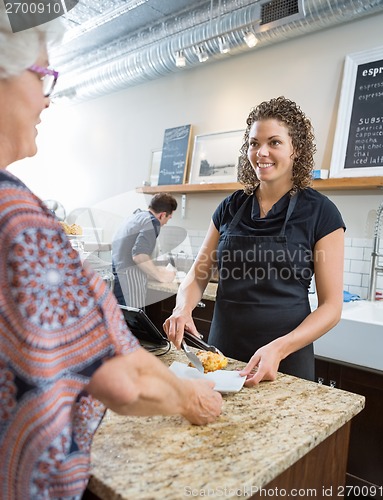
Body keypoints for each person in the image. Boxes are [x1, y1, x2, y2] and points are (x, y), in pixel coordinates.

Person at [0, 10, 222, 500]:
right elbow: (118, 380)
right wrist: (189, 397)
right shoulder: (17, 219)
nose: (47, 99)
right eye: (43, 76)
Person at [164, 96, 345, 385]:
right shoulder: (230, 207)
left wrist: (280, 347)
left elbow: (332, 307)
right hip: (222, 355)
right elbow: (197, 276)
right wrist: (181, 309)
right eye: (254, 143)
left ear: (295, 149)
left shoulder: (321, 213)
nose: (261, 152)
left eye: (274, 142)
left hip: (284, 361)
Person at [112, 193, 178, 308]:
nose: (166, 222)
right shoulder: (153, 222)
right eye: (168, 218)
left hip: (117, 277)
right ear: (162, 215)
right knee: (134, 323)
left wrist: (155, 270)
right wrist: (161, 276)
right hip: (129, 281)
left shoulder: (136, 216)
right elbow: (139, 255)